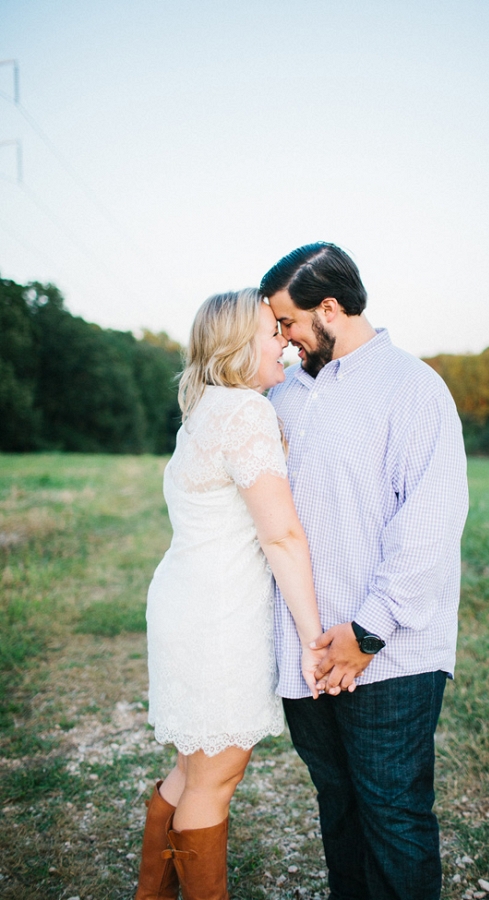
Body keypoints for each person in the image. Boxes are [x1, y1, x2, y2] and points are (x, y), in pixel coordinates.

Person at [261, 243, 469, 900]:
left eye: (288, 322)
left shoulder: (412, 386)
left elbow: (431, 524)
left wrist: (368, 630)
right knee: (339, 810)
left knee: (394, 815)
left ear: (330, 308)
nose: (282, 337)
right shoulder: (283, 394)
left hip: (390, 656)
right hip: (308, 656)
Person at [135, 288, 326, 900]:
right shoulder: (245, 413)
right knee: (214, 777)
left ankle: (152, 893)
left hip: (185, 602)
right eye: (273, 331)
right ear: (239, 345)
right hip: (217, 617)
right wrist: (311, 637)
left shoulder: (206, 411)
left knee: (194, 765)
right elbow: (282, 535)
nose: (286, 343)